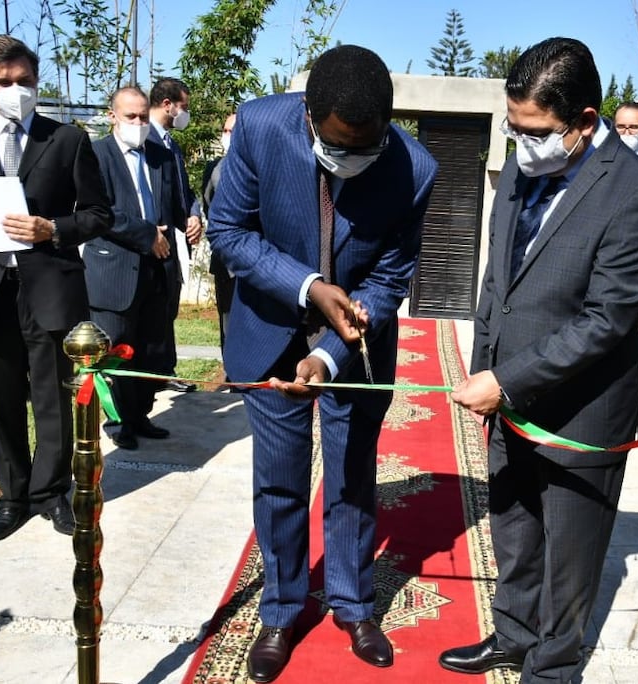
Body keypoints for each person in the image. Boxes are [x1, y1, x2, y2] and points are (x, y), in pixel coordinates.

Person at [439, 37, 638, 682]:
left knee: (570, 554)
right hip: (506, 393)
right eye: (514, 125)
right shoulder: (519, 170)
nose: (523, 141)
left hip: (583, 408)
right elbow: (500, 282)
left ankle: (553, 665)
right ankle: (512, 636)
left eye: (537, 130)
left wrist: (507, 380)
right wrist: (484, 362)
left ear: (585, 123)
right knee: (513, 528)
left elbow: (607, 319)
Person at [206, 45, 437, 682]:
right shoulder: (259, 127)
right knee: (278, 482)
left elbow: (390, 278)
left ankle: (353, 602)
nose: (353, 161)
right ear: (309, 116)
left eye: (368, 146)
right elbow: (228, 232)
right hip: (268, 336)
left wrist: (329, 353)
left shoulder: (414, 169)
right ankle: (281, 609)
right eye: (339, 145)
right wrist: (308, 286)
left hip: (354, 351)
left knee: (351, 480)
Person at [0, 34, 113, 542]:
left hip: (50, 287)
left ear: (37, 80)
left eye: (25, 81)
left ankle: (49, 492)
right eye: (4, 82)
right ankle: (11, 495)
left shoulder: (68, 140)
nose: (16, 90)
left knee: (55, 397)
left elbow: (100, 214)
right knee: (1, 398)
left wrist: (53, 228)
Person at [85, 86, 183, 451]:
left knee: (151, 349)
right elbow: (100, 213)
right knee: (118, 350)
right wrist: (146, 235)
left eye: (143, 116)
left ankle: (142, 414)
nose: (139, 123)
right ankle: (119, 421)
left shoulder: (162, 155)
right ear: (113, 116)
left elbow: (175, 200)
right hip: (114, 269)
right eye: (131, 117)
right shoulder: (96, 155)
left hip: (157, 270)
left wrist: (190, 218)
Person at [148, 77, 200, 393]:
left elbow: (184, 190)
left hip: (173, 246)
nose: (186, 114)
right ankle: (150, 377)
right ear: (168, 104)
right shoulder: (147, 143)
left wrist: (193, 214)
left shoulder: (171, 144)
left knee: (167, 311)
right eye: (185, 107)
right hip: (153, 243)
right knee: (152, 316)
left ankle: (165, 371)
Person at [200, 111, 237, 351]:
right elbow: (207, 206)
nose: (227, 136)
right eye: (225, 131)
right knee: (227, 320)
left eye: (233, 131)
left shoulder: (262, 164)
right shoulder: (214, 168)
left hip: (255, 262)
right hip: (225, 262)